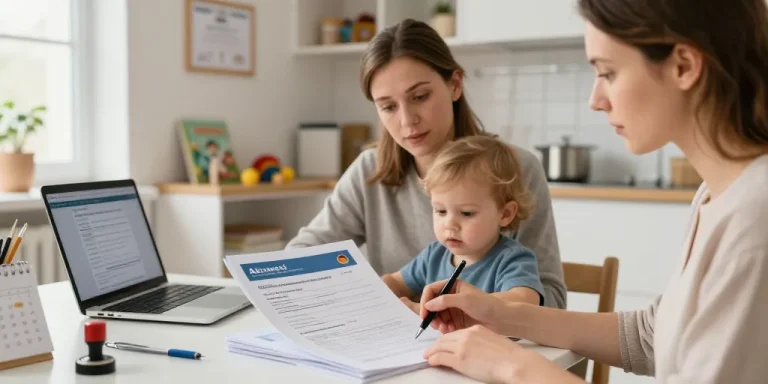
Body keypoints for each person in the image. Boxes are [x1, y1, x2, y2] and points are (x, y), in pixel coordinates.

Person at [415, 0, 768, 382]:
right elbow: (654, 336)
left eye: (608, 73)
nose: (595, 100)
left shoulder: (754, 219)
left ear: (684, 65)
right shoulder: (717, 193)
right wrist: (501, 315)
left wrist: (514, 367)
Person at [285, 19, 568, 310]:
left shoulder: (517, 170)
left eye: (420, 97)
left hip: (487, 348)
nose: (407, 121)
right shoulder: (370, 169)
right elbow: (300, 256)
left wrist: (458, 311)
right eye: (388, 107)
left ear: (455, 85)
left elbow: (553, 304)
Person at [382, 136, 545, 312]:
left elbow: (524, 302)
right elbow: (395, 282)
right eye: (441, 211)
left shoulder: (512, 260)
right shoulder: (434, 256)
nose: (450, 225)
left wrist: (421, 309)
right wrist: (371, 290)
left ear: (505, 214)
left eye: (467, 213)